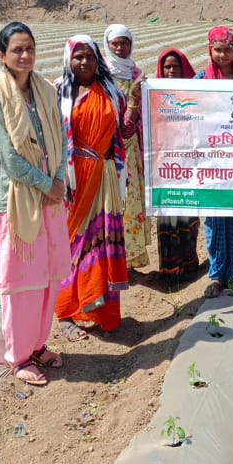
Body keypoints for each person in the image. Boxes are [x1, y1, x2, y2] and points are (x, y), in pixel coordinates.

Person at [0, 22, 68, 386]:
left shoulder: (45, 89)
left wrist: (59, 177)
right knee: (21, 281)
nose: (25, 55)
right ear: (2, 56)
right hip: (16, 200)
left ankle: (37, 344)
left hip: (49, 196)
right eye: (17, 50)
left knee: (47, 275)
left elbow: (60, 140)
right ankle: (18, 357)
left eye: (30, 48)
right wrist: (47, 184)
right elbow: (6, 157)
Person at [54, 35, 132, 338]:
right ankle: (67, 310)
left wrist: (135, 102)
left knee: (103, 243)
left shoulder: (112, 91)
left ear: (98, 58)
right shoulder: (59, 93)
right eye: (78, 56)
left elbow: (124, 132)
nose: (84, 61)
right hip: (74, 179)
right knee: (74, 245)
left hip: (105, 176)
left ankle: (102, 310)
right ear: (68, 60)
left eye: (89, 56)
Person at [195, 26, 233, 298]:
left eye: (227, 49)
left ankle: (230, 273)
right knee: (214, 219)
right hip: (212, 162)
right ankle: (216, 275)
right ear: (210, 51)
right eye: (217, 50)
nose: (222, 55)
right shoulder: (200, 80)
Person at [104, 24, 150, 271]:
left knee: (129, 202)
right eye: (115, 44)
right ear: (107, 45)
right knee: (110, 202)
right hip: (106, 150)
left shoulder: (136, 75)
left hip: (130, 150)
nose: (120, 48)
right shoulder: (100, 74)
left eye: (125, 43)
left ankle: (128, 260)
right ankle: (108, 259)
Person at [153, 48, 201, 276]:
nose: (171, 71)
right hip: (164, 163)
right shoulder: (153, 95)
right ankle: (170, 268)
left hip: (189, 162)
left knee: (188, 211)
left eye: (175, 66)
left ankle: (189, 262)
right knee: (168, 213)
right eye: (167, 67)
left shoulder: (195, 94)